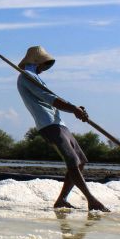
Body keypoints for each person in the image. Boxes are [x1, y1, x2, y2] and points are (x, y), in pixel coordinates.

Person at [15, 45, 109, 212]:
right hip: (48, 124)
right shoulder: (26, 77)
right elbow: (50, 99)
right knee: (72, 161)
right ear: (37, 62)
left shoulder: (35, 77)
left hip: (58, 122)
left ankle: (62, 200)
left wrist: (75, 108)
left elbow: (54, 99)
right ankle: (91, 199)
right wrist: (73, 109)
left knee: (81, 161)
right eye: (45, 64)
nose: (45, 68)